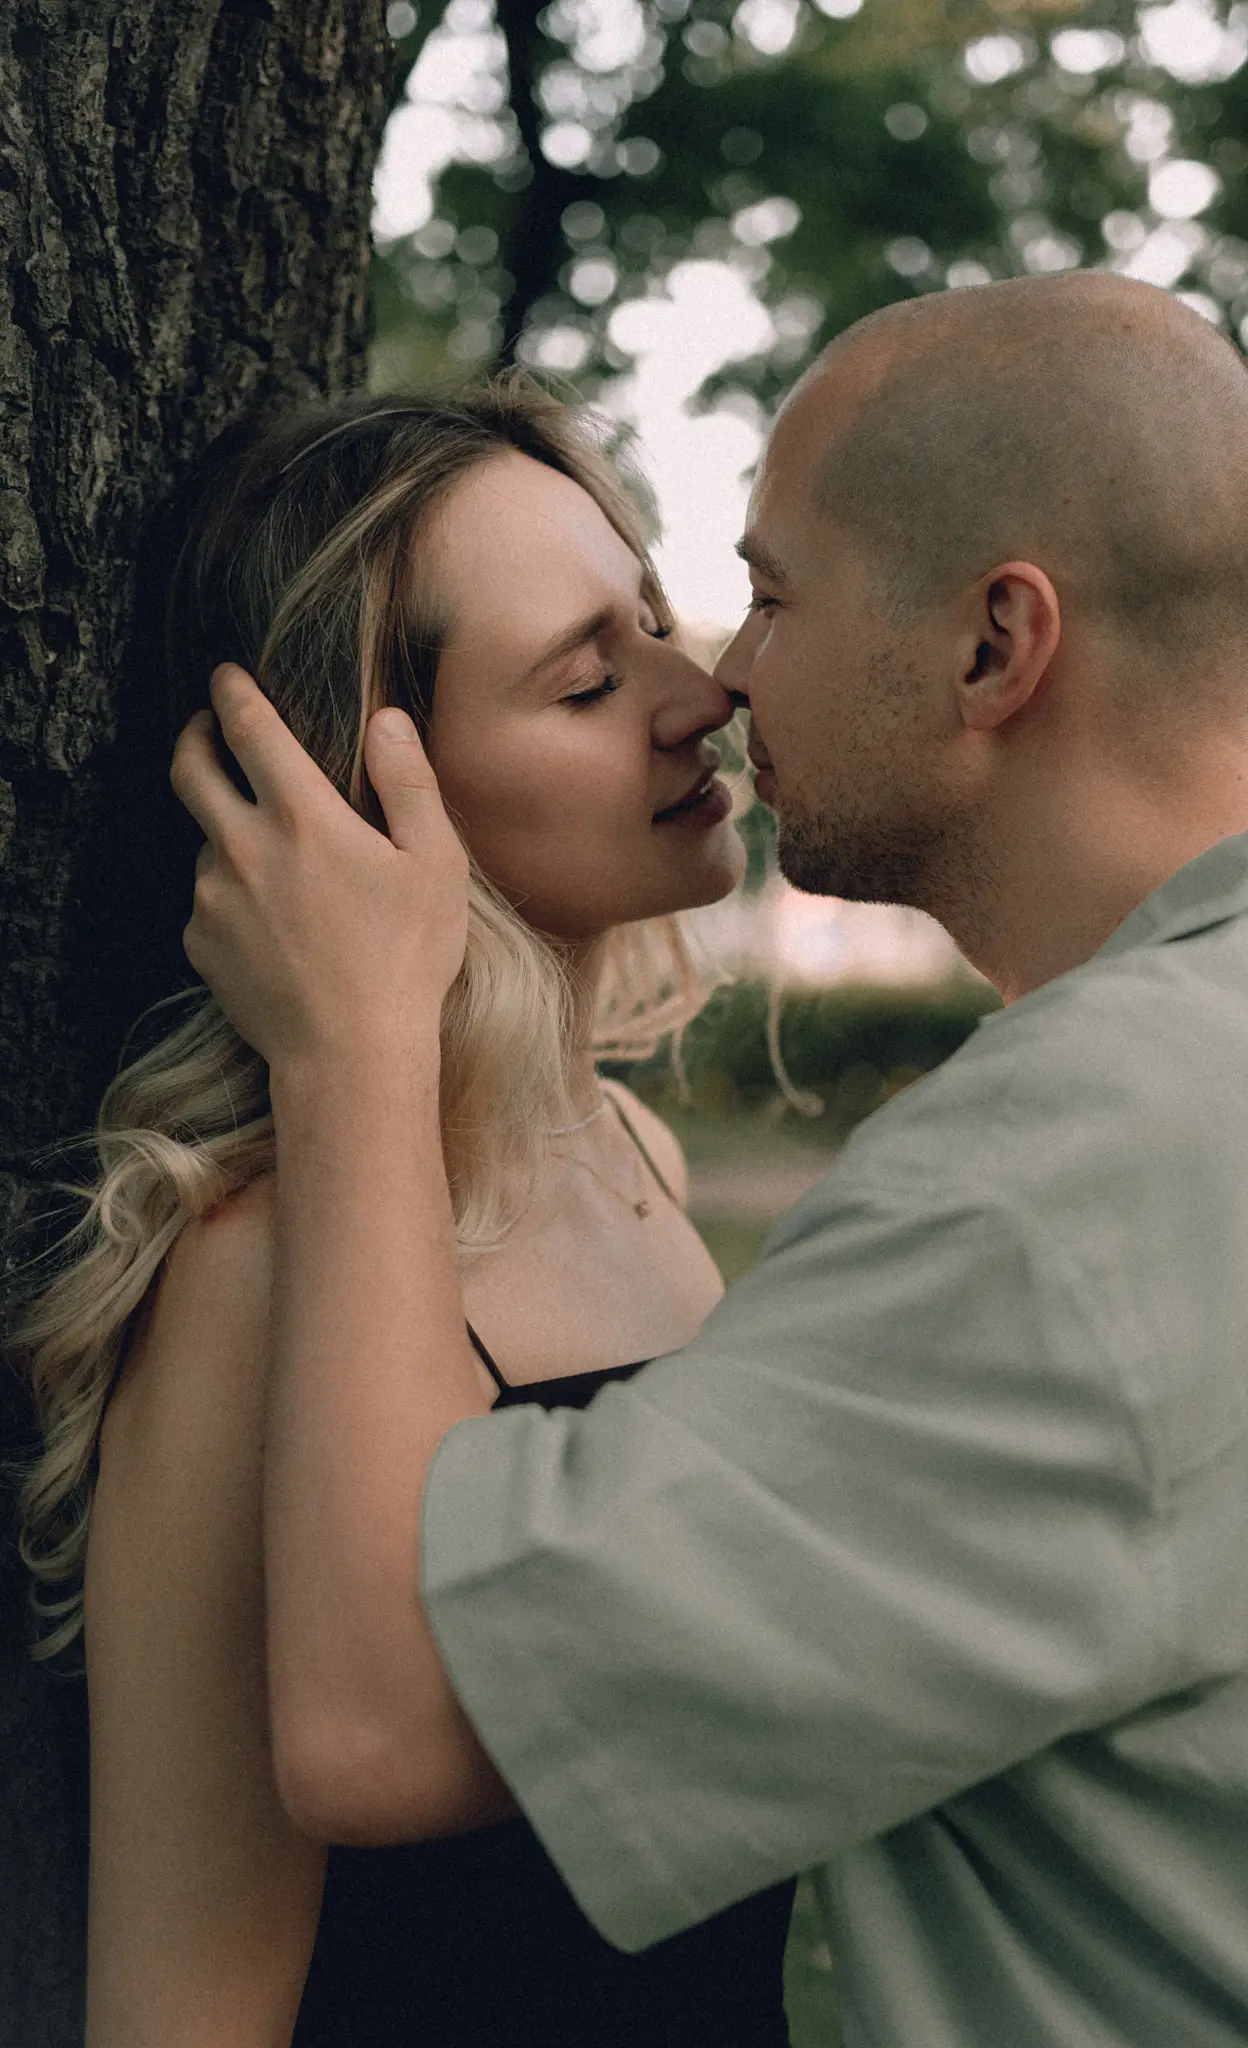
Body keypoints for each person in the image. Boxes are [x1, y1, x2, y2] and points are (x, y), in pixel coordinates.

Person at [171, 273, 1248, 2046]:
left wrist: (354, 1051)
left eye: (767, 598)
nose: (715, 676)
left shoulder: (1067, 1182)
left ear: (993, 647)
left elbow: (383, 1720)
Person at [16, 384, 797, 2047]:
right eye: (587, 679)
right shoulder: (250, 1269)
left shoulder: (634, 1156)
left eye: (652, 620)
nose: (701, 696)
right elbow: (185, 2005)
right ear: (367, 805)